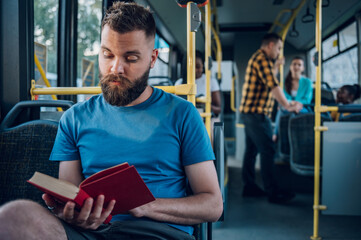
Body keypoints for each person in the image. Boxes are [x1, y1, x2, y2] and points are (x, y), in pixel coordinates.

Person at [0, 2, 223, 240]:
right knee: (15, 217)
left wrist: (146, 206)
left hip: (157, 232)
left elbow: (212, 205)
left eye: (131, 58)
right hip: (92, 233)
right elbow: (71, 192)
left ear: (153, 58)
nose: (116, 68)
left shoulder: (182, 114)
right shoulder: (74, 118)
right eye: (108, 54)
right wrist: (73, 213)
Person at [239, 33, 303, 204]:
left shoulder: (261, 60)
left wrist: (275, 66)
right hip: (256, 114)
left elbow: (268, 78)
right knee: (268, 150)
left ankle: (249, 186)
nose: (280, 52)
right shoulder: (262, 59)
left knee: (251, 151)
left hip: (250, 113)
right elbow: (273, 85)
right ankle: (273, 192)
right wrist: (288, 105)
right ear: (270, 46)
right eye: (279, 48)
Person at [273, 56, 313, 141]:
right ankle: (276, 134)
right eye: (294, 64)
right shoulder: (284, 82)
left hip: (303, 107)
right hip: (288, 106)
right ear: (290, 66)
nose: (296, 67)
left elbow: (307, 99)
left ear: (303, 68)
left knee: (290, 112)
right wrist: (292, 104)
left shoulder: (307, 82)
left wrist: (295, 104)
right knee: (281, 110)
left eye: (299, 65)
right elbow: (283, 97)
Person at [175, 50, 222, 116]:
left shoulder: (211, 81)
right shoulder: (179, 83)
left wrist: (205, 105)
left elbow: (218, 109)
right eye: (192, 67)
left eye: (198, 66)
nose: (195, 70)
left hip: (205, 118)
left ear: (203, 66)